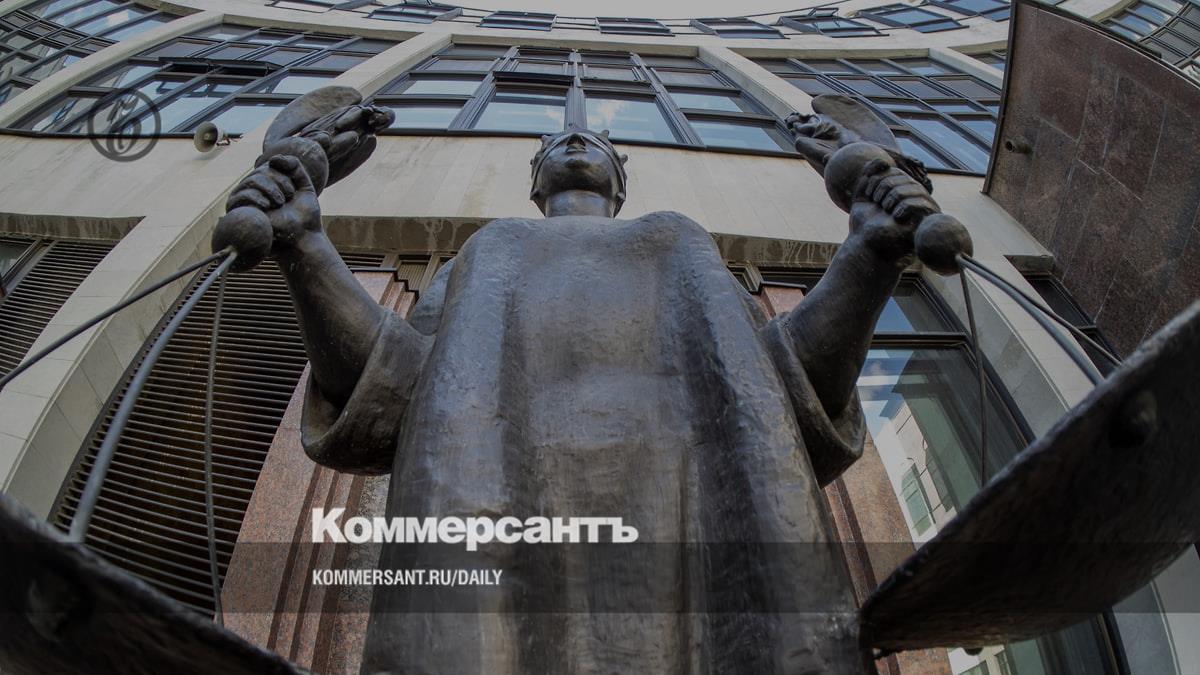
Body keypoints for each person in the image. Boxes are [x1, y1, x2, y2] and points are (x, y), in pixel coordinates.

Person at [219, 115, 938, 673]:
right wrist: (305, 247)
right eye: (555, 143)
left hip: (691, 512)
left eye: (594, 140)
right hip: (492, 512)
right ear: (535, 184)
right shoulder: (489, 249)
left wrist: (869, 255)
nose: (572, 137)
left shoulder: (679, 241)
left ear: (620, 178)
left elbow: (786, 390)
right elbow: (391, 386)